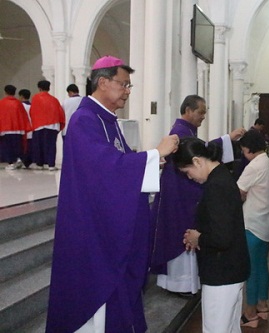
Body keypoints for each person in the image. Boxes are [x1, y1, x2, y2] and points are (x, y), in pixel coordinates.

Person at [46, 55, 180, 333]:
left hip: (105, 224)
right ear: (103, 82)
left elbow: (118, 164)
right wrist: (155, 153)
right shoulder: (85, 119)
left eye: (129, 86)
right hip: (91, 230)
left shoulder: (107, 121)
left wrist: (152, 161)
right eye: (124, 85)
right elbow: (106, 169)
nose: (128, 92)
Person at [150, 94, 245, 296]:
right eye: (200, 112)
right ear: (188, 110)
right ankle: (180, 284)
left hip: (180, 196)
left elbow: (202, 149)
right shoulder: (180, 133)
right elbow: (202, 153)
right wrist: (227, 140)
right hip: (180, 199)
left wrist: (227, 139)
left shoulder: (186, 132)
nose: (203, 116)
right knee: (182, 235)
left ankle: (183, 283)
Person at [177, 137, 250, 333]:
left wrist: (197, 237)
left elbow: (222, 237)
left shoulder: (216, 185)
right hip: (231, 269)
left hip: (222, 272)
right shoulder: (222, 176)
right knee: (230, 328)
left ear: (197, 161)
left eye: (188, 172)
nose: (190, 177)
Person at [237, 129, 269, 328]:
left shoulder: (254, 166)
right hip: (266, 224)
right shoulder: (268, 163)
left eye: (244, 150)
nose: (244, 154)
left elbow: (239, 192)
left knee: (250, 270)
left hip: (251, 224)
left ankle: (250, 313)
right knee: (261, 266)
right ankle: (263, 306)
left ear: (250, 148)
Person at [29, 79, 65, 170]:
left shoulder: (36, 98)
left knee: (39, 145)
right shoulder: (54, 99)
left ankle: (40, 164)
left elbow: (32, 112)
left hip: (39, 125)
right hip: (53, 125)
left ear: (39, 88)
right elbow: (60, 112)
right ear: (49, 88)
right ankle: (51, 165)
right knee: (51, 145)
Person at [0, 84, 31, 169]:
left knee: (7, 146)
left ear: (5, 92)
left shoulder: (2, 103)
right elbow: (23, 116)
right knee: (17, 146)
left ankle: (11, 163)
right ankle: (18, 159)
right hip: (18, 129)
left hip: (5, 129)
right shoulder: (18, 103)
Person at [18, 89, 33, 168]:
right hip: (31, 129)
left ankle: (22, 161)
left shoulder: (19, 106)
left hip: (22, 130)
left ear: (21, 96)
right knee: (30, 148)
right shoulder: (32, 106)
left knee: (23, 148)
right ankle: (28, 163)